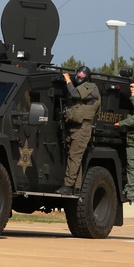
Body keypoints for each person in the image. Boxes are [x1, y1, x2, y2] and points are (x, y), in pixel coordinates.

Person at [57, 66, 102, 195]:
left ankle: (68, 186)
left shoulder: (90, 87)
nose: (80, 76)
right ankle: (76, 187)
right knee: (74, 158)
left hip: (82, 128)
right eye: (78, 74)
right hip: (74, 127)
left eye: (82, 75)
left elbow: (74, 94)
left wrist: (67, 80)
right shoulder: (81, 87)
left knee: (75, 157)